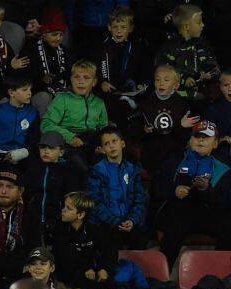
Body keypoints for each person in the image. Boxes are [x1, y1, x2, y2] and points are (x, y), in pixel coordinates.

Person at [154, 121, 231, 266]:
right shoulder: (175, 160)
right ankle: (161, 277)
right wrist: (174, 190)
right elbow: (157, 187)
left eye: (206, 137)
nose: (201, 140)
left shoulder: (223, 168)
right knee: (177, 224)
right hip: (177, 211)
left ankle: (220, 277)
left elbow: (223, 202)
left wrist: (206, 189)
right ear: (191, 140)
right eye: (197, 136)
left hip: (207, 213)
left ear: (215, 144)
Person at [40, 60, 109, 171]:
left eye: (86, 78)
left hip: (92, 143)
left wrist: (104, 145)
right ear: (71, 79)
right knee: (80, 166)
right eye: (77, 77)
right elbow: (46, 124)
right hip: (69, 145)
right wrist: (70, 137)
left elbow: (104, 128)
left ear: (94, 82)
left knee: (105, 163)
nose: (81, 81)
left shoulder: (99, 102)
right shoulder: (62, 98)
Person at [21, 130, 87, 246]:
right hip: (32, 224)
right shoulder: (32, 169)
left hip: (58, 226)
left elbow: (72, 202)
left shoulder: (70, 172)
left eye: (51, 148)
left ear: (61, 152)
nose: (46, 151)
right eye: (43, 147)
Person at [88, 126, 147, 249]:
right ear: (103, 149)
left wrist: (132, 220)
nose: (111, 146)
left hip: (128, 221)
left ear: (123, 143)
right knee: (108, 242)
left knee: (140, 238)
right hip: (106, 224)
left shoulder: (132, 170)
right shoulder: (97, 170)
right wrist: (115, 221)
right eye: (106, 143)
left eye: (114, 141)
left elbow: (139, 198)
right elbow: (95, 201)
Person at [53, 191, 115, 289]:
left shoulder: (93, 230)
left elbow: (109, 251)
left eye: (68, 208)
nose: (63, 210)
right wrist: (85, 269)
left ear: (80, 215)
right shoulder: (59, 230)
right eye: (64, 206)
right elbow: (66, 256)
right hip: (65, 277)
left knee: (95, 286)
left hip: (88, 277)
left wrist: (104, 268)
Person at [157, 4, 218, 101]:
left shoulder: (202, 45)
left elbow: (215, 67)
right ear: (186, 27)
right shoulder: (170, 48)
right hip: (176, 98)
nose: (203, 25)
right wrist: (184, 80)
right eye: (199, 22)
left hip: (201, 96)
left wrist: (209, 74)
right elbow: (163, 73)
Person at [17, 7, 69, 114]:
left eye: (61, 35)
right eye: (54, 34)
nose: (58, 38)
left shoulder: (64, 51)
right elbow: (23, 78)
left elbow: (68, 74)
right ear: (44, 33)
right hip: (37, 92)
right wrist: (41, 80)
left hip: (60, 91)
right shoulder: (30, 49)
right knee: (43, 98)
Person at [0, 76, 40, 165]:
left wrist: (22, 153)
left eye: (30, 89)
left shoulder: (33, 113)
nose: (29, 93)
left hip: (21, 156)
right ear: (11, 92)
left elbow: (34, 140)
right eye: (25, 90)